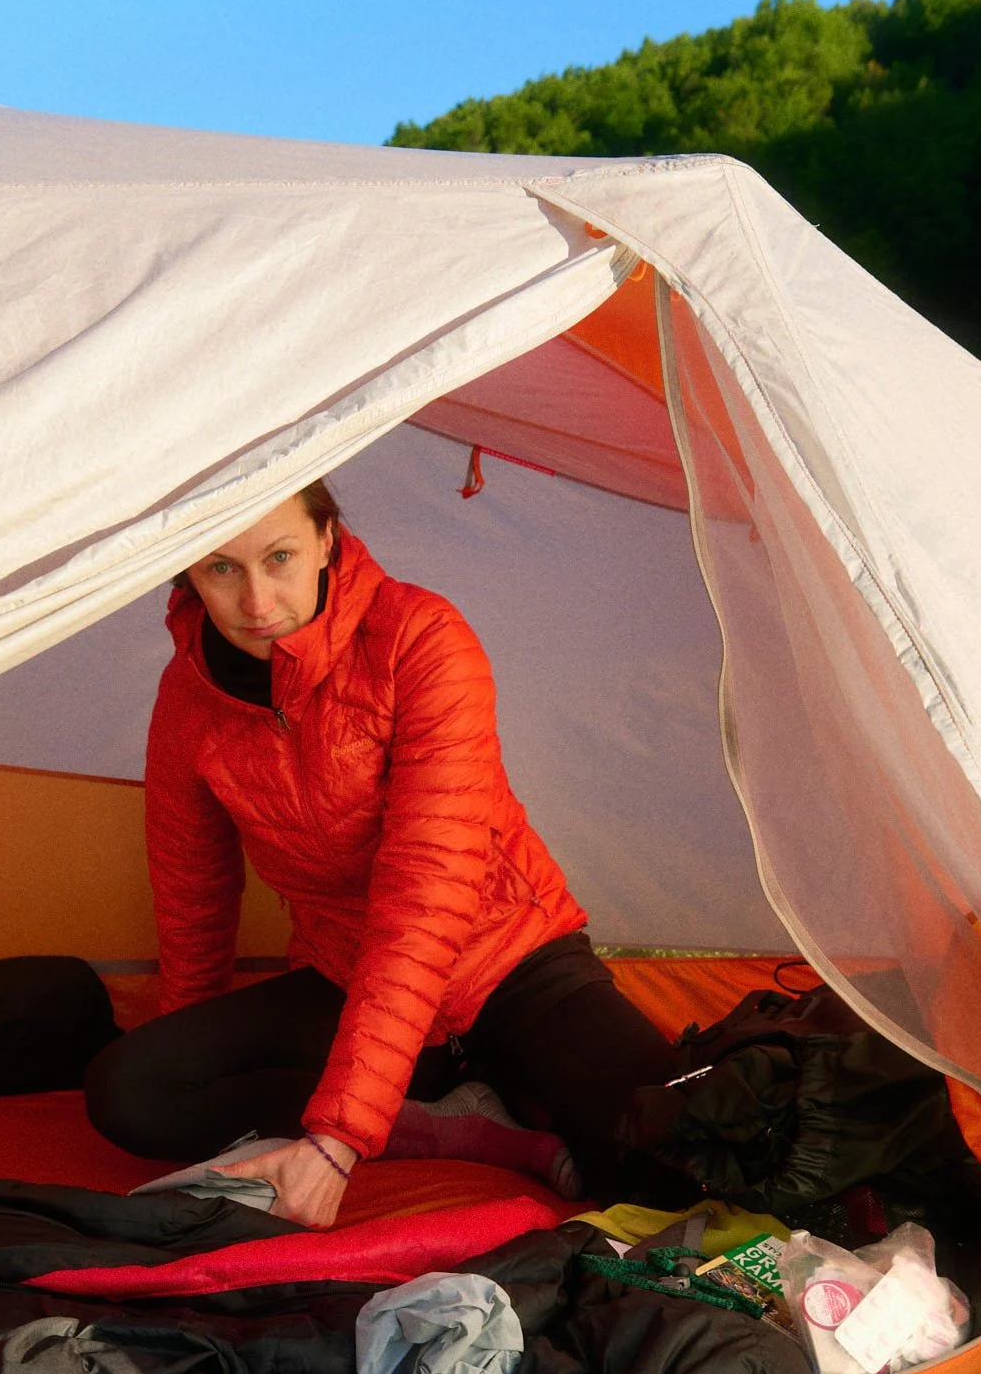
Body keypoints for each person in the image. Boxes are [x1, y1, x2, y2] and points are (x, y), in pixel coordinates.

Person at [85, 481, 681, 1227]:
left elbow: (426, 891)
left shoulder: (420, 638)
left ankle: (491, 1084)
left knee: (673, 1166)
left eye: (279, 557)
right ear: (189, 575)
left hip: (507, 959)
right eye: (222, 568)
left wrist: (337, 1138)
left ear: (325, 540)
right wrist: (191, 1052)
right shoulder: (187, 697)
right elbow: (190, 893)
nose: (257, 602)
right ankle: (448, 1123)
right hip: (346, 972)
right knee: (131, 1092)